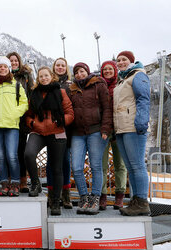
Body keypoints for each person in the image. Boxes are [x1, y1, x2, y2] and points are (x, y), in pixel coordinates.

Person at [24, 66, 74, 216]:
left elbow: (70, 113)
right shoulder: (34, 93)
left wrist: (60, 121)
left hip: (57, 131)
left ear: (51, 77)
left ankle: (55, 201)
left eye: (46, 76)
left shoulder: (61, 92)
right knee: (28, 154)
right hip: (38, 131)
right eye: (41, 76)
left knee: (56, 167)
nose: (44, 78)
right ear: (38, 78)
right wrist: (32, 124)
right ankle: (35, 183)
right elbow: (28, 115)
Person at [69, 62, 112, 215]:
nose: (79, 74)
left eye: (82, 71)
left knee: (96, 166)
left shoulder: (98, 84)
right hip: (77, 133)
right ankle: (83, 197)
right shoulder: (72, 89)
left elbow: (107, 107)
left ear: (87, 71)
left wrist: (105, 128)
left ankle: (95, 197)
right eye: (77, 72)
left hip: (95, 131)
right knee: (77, 167)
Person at [0, 56, 28, 197]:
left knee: (12, 156)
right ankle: (4, 184)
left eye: (5, 66)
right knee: (1, 157)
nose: (2, 69)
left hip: (11, 126)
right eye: (0, 66)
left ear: (9, 69)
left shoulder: (16, 85)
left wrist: (15, 113)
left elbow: (24, 103)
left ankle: (15, 184)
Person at [114, 51, 151, 216]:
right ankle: (136, 200)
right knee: (130, 166)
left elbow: (143, 98)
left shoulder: (137, 75)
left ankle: (142, 201)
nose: (121, 62)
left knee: (137, 165)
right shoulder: (122, 80)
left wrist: (141, 122)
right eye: (118, 60)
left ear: (131, 61)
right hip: (121, 128)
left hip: (133, 127)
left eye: (124, 60)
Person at [99, 60, 127, 210]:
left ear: (115, 70)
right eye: (105, 69)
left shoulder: (120, 85)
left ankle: (120, 195)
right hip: (104, 129)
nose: (108, 71)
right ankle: (102, 195)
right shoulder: (99, 85)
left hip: (118, 128)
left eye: (110, 69)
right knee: (101, 164)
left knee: (120, 164)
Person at [6, 52, 34, 193]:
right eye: (11, 61)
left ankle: (23, 180)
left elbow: (31, 94)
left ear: (19, 61)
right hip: (7, 117)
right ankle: (10, 179)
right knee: (9, 151)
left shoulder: (26, 76)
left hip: (22, 118)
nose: (13, 63)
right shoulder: (4, 75)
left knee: (21, 150)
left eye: (16, 60)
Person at [48, 57, 73, 209]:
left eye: (63, 65)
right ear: (54, 67)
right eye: (57, 65)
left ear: (66, 68)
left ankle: (66, 195)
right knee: (52, 162)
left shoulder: (71, 85)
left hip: (67, 127)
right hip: (52, 127)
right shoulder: (49, 83)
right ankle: (52, 195)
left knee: (65, 162)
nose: (60, 67)